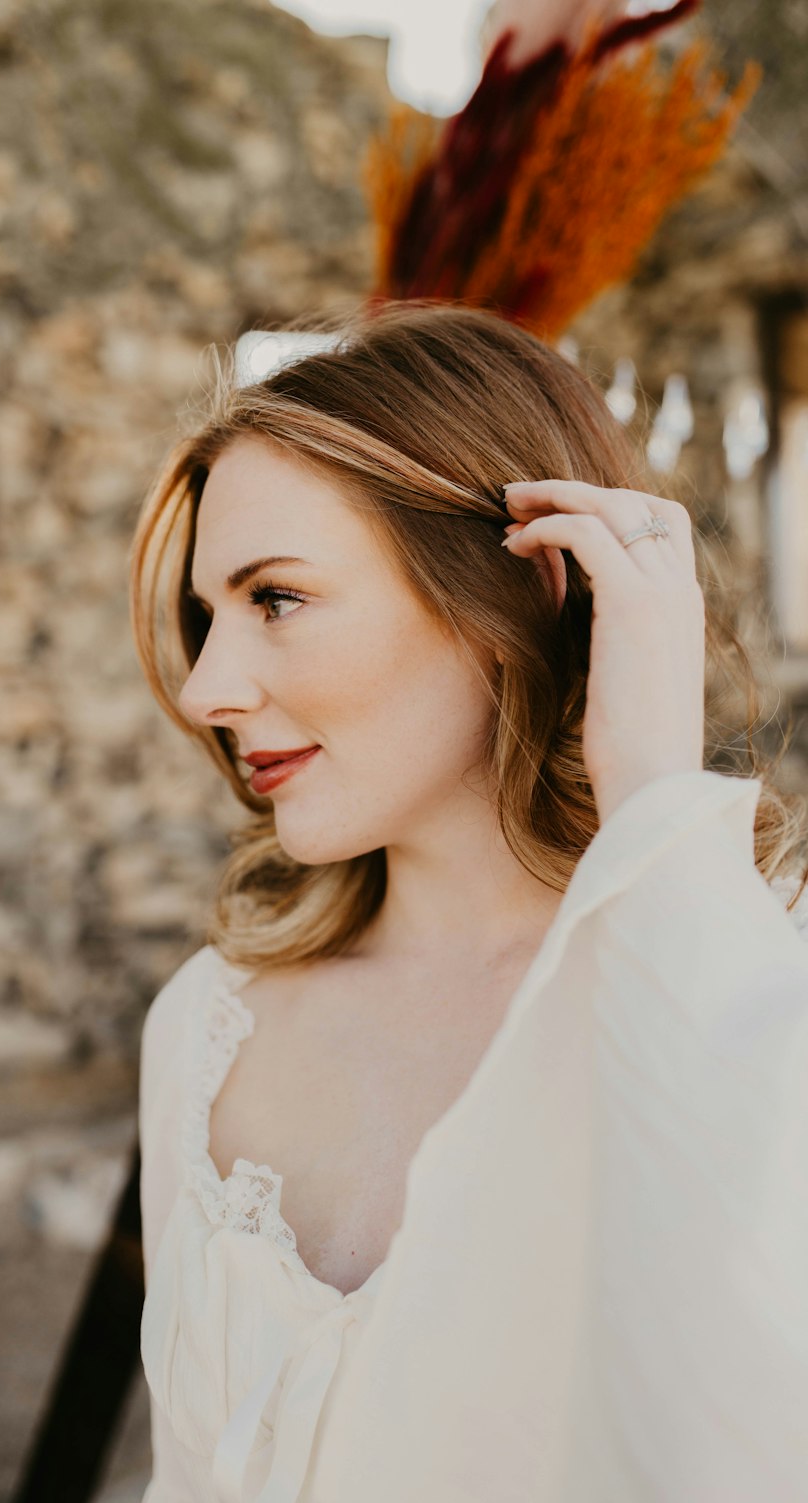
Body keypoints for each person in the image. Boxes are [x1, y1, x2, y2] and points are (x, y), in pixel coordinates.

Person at [129, 300, 808, 1503]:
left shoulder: (764, 989)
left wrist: (654, 791)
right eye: (203, 618)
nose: (208, 691)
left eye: (275, 598)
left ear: (525, 583)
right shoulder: (203, 1029)